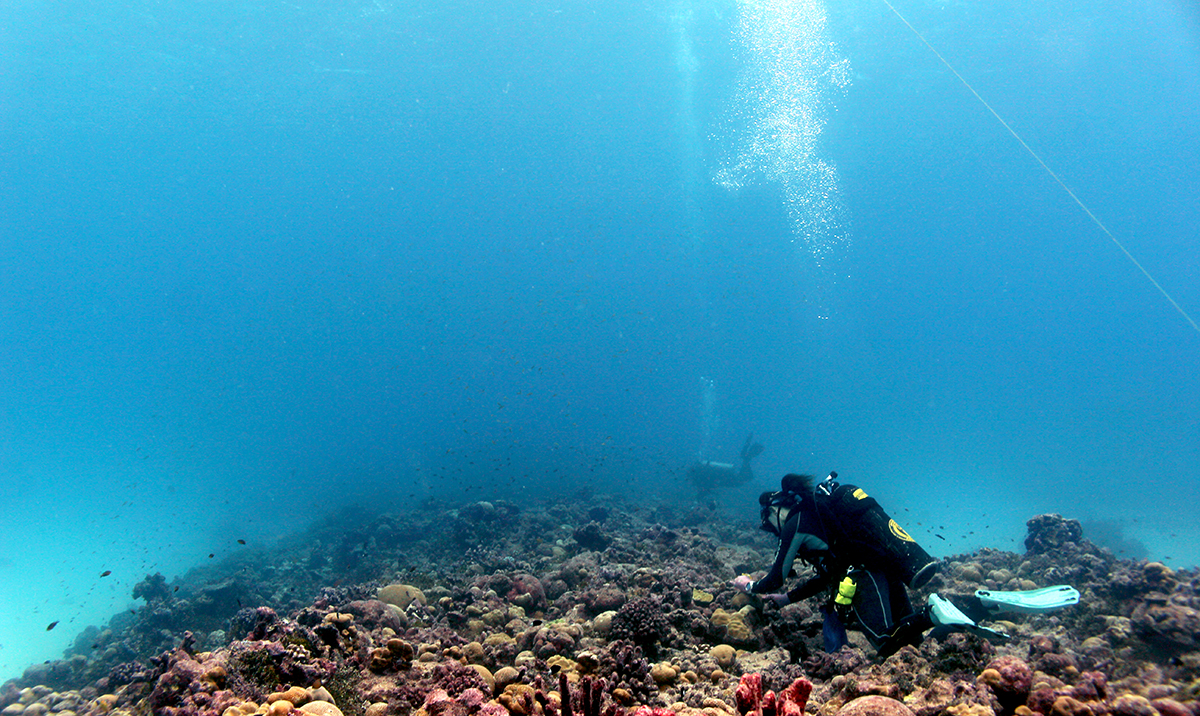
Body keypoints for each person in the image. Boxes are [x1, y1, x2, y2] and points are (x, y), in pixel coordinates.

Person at [731, 472, 1009, 657]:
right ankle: (979, 606)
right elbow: (830, 574)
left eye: (769, 523)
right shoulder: (820, 518)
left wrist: (750, 585)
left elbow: (775, 577)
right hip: (882, 565)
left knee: (884, 642)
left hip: (866, 573)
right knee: (912, 645)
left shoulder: (796, 522)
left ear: (774, 509)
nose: (773, 530)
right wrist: (787, 599)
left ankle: (931, 613)